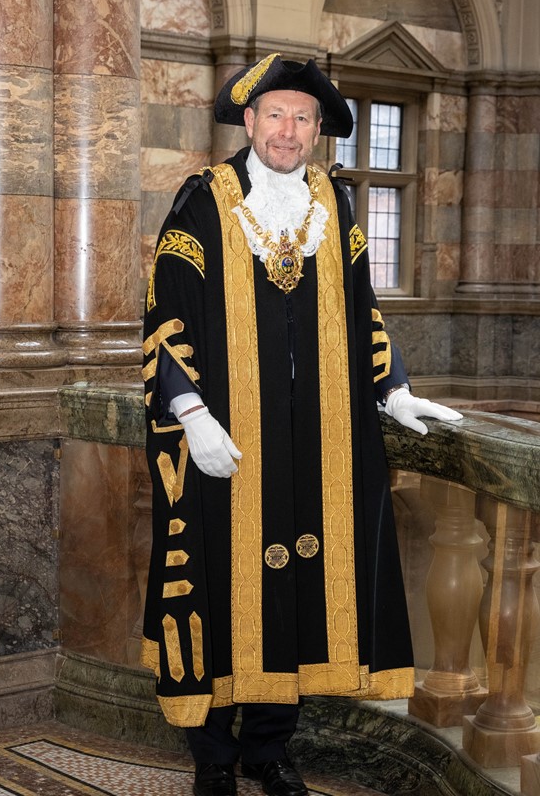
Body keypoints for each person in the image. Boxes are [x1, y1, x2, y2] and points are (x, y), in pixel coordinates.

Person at [140, 54, 462, 796]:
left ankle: (270, 749)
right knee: (223, 586)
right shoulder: (202, 201)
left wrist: (393, 389)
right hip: (229, 440)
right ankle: (214, 759)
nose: (289, 130)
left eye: (304, 118)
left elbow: (361, 308)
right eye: (276, 115)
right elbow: (166, 312)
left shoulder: (333, 205)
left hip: (318, 440)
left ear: (320, 132)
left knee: (298, 585)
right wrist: (191, 415)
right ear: (249, 121)